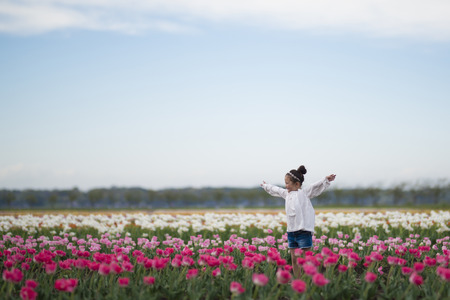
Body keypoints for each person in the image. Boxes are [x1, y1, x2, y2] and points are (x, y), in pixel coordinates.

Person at [260, 165, 336, 278]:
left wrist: (325, 180)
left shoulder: (304, 193)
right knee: (294, 260)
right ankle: (298, 280)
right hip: (291, 232)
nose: (285, 186)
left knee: (306, 260)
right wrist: (266, 186)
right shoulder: (286, 194)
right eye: (285, 183)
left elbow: (314, 186)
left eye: (287, 183)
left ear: (297, 184)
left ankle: (308, 281)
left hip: (303, 231)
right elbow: (276, 190)